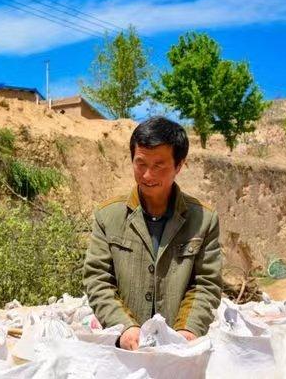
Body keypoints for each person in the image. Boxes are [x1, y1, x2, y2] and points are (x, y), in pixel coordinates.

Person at [83, 116, 222, 351]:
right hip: (124, 349)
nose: (147, 175)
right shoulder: (108, 216)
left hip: (179, 352)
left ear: (179, 165)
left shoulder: (203, 220)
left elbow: (206, 284)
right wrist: (124, 326)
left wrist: (187, 330)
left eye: (159, 165)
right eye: (141, 164)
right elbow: (98, 280)